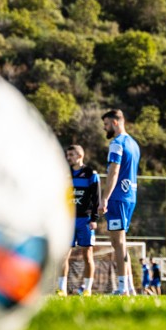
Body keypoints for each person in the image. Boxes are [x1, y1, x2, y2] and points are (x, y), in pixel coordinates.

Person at [99, 109, 141, 296]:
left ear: (115, 122)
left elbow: (113, 172)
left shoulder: (117, 143)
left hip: (117, 197)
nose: (105, 127)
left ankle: (123, 287)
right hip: (130, 195)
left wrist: (105, 198)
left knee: (117, 242)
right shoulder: (134, 144)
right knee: (121, 242)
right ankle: (129, 287)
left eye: (106, 124)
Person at [57, 144, 101, 297]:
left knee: (87, 255)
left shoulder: (90, 174)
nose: (68, 158)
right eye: (67, 155)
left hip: (85, 220)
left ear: (79, 156)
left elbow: (96, 198)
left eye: (71, 155)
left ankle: (87, 289)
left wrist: (94, 218)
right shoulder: (64, 173)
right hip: (67, 221)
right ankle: (61, 289)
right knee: (63, 255)